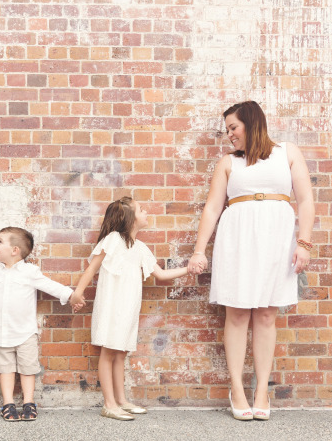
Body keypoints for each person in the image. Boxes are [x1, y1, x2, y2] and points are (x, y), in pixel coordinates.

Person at [186, 100, 315, 421]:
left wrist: (305, 242)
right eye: (228, 129)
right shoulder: (228, 163)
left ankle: (261, 392)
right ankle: (237, 390)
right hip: (237, 240)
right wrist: (200, 250)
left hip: (276, 240)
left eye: (233, 127)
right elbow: (213, 208)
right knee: (238, 313)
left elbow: (306, 199)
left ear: (252, 122)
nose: (229, 135)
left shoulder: (288, 152)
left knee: (268, 314)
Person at [0, 227, 85, 421]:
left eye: (0, 242)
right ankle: (8, 403)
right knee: (5, 369)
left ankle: (29, 402)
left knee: (28, 368)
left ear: (15, 250)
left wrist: (72, 296)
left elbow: (50, 286)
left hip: (25, 333)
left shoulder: (30, 272)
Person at [71, 197, 190, 421]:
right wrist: (78, 293)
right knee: (108, 352)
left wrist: (188, 269)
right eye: (141, 209)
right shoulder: (113, 240)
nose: (146, 212)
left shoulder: (141, 248)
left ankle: (121, 400)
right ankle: (109, 404)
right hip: (111, 305)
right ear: (129, 218)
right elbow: (92, 269)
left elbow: (162, 275)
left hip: (128, 308)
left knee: (120, 353)